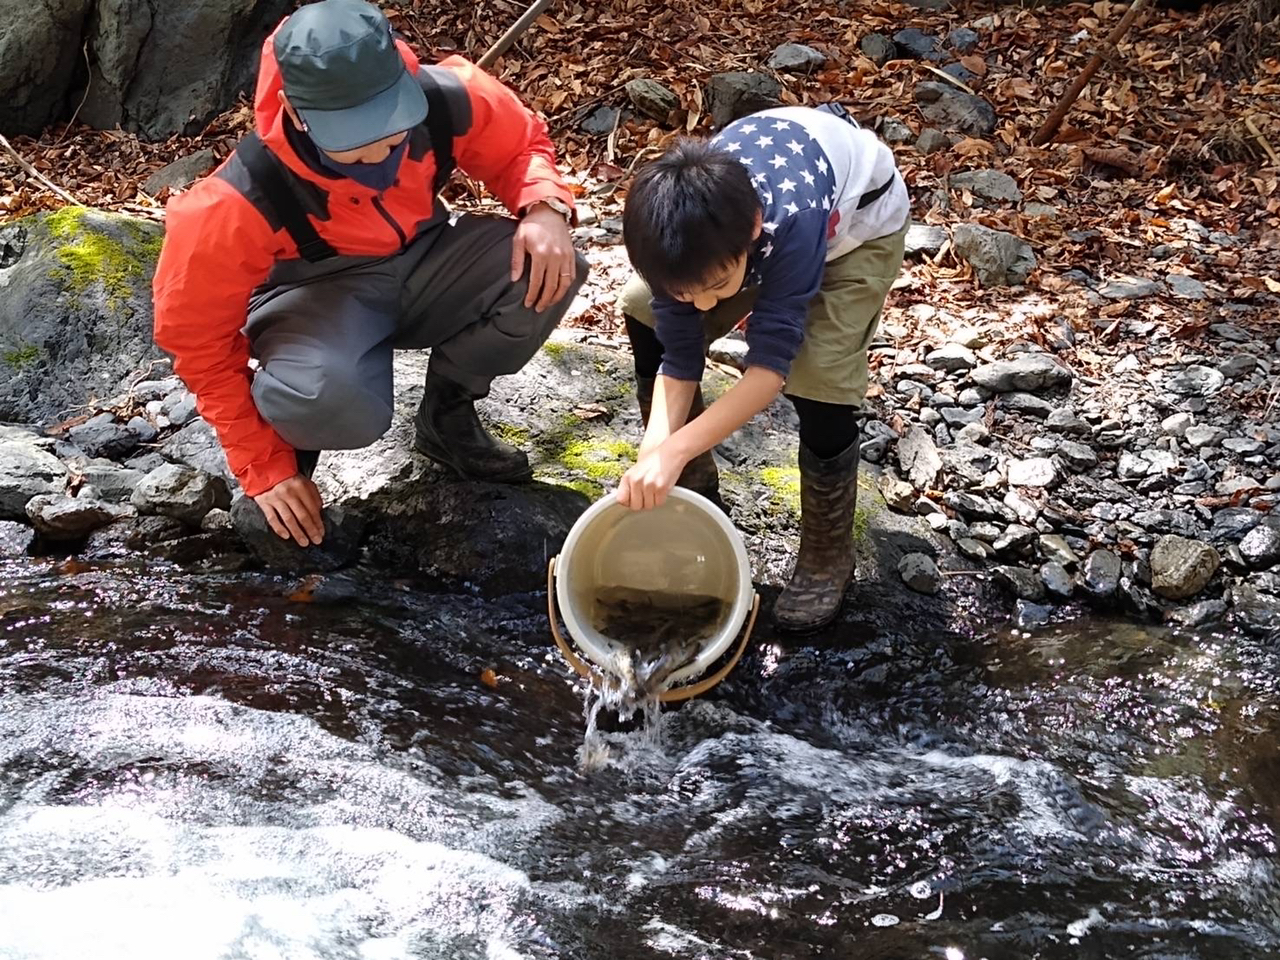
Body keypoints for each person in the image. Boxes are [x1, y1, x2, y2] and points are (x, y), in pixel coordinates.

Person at [153, 0, 586, 548]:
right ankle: (296, 435)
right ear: (295, 109)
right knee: (332, 404)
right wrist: (263, 466)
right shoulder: (230, 205)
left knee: (551, 268)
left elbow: (521, 144)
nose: (381, 147)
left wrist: (544, 207)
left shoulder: (446, 94)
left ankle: (447, 417)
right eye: (354, 137)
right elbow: (196, 344)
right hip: (316, 293)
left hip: (426, 256)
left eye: (392, 124)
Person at [614, 104, 909, 633]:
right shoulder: (670, 240)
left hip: (856, 229)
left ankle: (826, 557)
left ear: (750, 233)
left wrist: (674, 446)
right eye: (685, 292)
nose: (703, 307)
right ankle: (693, 488)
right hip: (737, 246)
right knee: (643, 311)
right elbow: (679, 358)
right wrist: (655, 452)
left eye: (716, 290)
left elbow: (768, 372)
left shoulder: (787, 221)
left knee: (818, 375)